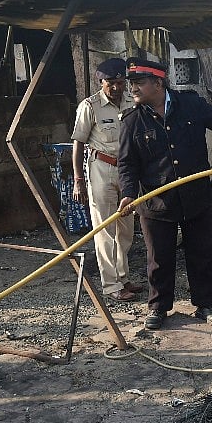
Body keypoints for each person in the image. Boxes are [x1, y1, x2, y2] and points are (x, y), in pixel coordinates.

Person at [117, 57, 212, 330]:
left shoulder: (190, 105)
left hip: (195, 196)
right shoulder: (132, 120)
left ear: (158, 82)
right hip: (155, 201)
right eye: (132, 84)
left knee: (201, 253)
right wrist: (128, 194)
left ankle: (205, 305)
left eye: (139, 83)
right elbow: (127, 163)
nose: (133, 89)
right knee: (159, 258)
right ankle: (159, 307)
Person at [71, 58, 140, 301]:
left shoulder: (133, 102)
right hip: (101, 168)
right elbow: (78, 143)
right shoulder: (90, 106)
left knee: (126, 229)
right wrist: (78, 179)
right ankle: (111, 285)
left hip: (128, 170)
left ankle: (123, 277)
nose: (116, 88)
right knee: (105, 230)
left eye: (120, 82)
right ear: (101, 82)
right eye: (111, 83)